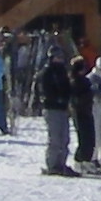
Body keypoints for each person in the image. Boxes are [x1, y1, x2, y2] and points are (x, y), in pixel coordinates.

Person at [38, 47, 78, 178]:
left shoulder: (63, 71)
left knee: (65, 137)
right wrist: (55, 98)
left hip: (63, 108)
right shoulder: (47, 72)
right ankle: (52, 165)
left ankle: (61, 163)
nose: (59, 60)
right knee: (55, 137)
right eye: (57, 57)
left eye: (61, 57)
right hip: (52, 108)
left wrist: (68, 99)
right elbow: (45, 90)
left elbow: (67, 88)